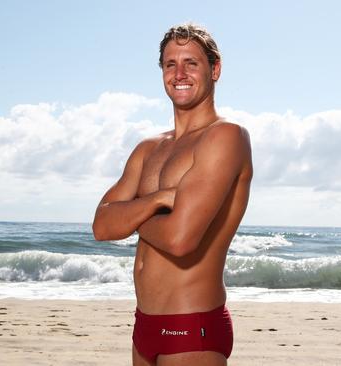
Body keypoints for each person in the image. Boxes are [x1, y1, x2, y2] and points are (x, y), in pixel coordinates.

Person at [92, 23, 253, 366]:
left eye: (191, 63)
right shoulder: (148, 148)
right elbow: (101, 226)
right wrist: (156, 200)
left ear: (215, 69)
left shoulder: (225, 137)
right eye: (170, 64)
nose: (179, 73)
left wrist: (131, 216)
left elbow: (181, 239)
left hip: (191, 326)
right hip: (144, 326)